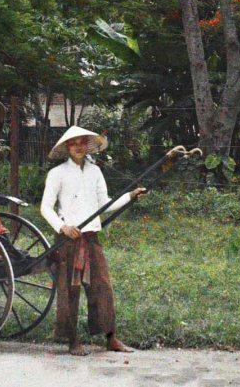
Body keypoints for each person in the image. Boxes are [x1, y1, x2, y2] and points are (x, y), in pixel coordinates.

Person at [40, 125, 147, 356]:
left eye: (82, 142)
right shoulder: (57, 173)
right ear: (67, 147)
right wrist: (63, 227)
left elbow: (104, 204)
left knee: (102, 286)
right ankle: (72, 340)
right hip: (67, 239)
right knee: (70, 290)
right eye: (73, 143)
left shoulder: (95, 171)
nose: (78, 146)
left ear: (87, 146)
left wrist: (130, 196)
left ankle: (110, 337)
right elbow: (45, 208)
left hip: (91, 237)